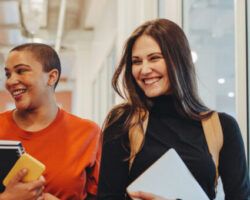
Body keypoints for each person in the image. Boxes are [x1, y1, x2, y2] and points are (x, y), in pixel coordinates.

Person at [97, 18, 250, 200]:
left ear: (178, 60)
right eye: (136, 62)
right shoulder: (123, 122)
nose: (144, 70)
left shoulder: (223, 127)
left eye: (154, 58)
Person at [0, 43, 101, 200]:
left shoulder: (88, 133)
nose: (11, 81)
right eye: (8, 74)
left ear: (51, 77)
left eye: (21, 71)